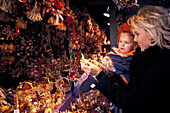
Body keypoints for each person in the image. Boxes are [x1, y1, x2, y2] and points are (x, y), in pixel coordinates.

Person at [80, 5, 170, 113]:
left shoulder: (161, 67)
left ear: (151, 34)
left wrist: (100, 74)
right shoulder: (144, 57)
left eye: (137, 34)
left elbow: (130, 101)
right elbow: (130, 90)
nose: (135, 39)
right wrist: (104, 73)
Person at [80, 23, 137, 93]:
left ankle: (91, 83)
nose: (122, 44)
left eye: (127, 42)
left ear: (134, 46)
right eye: (120, 41)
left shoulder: (130, 58)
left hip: (123, 87)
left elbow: (117, 66)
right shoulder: (115, 53)